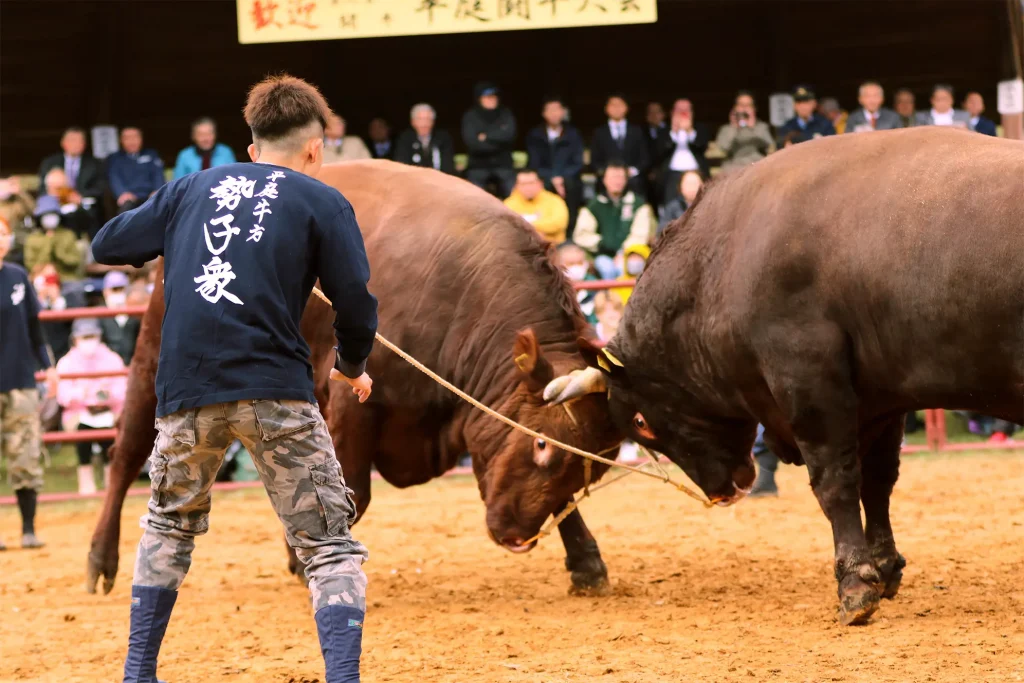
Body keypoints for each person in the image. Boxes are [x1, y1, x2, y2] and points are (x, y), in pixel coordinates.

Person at [91, 74, 377, 683]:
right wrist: (351, 367)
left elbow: (108, 245)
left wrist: (170, 227)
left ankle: (139, 671)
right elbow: (356, 303)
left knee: (168, 525)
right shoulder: (321, 200)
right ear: (314, 147)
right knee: (328, 546)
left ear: (249, 147)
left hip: (188, 394)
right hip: (278, 393)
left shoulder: (190, 189)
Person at [0, 216, 55, 550]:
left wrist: (49, 367)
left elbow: (36, 331)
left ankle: (28, 529)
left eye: (3, 233)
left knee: (26, 456)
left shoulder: (18, 277)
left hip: (20, 381)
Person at [56, 317, 127, 495]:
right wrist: (83, 393)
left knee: (109, 435)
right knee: (83, 432)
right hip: (79, 413)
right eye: (84, 337)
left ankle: (111, 479)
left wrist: (106, 396)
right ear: (75, 339)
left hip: (109, 411)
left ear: (99, 336)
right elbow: (62, 395)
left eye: (92, 336)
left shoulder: (112, 359)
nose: (89, 341)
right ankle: (85, 479)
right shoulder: (67, 362)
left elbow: (122, 390)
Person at [573, 164, 656, 280]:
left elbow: (640, 234)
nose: (617, 181)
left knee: (630, 266)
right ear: (604, 180)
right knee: (606, 268)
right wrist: (603, 245)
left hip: (631, 254)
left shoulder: (638, 204)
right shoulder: (593, 206)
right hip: (602, 255)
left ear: (626, 180)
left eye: (620, 177)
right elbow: (582, 234)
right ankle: (608, 298)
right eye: (613, 177)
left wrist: (623, 253)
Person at [525, 97, 584, 237]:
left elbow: (577, 162)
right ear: (544, 113)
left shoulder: (573, 134)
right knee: (539, 186)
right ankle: (542, 231)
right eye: (550, 110)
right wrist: (553, 178)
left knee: (572, 186)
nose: (554, 113)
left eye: (557, 109)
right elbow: (534, 163)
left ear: (563, 112)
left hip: (568, 178)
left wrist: (560, 178)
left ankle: (570, 233)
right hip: (544, 177)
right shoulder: (535, 135)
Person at [38, 126, 105, 224]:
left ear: (84, 144)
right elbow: (42, 188)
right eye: (72, 140)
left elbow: (100, 187)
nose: (75, 144)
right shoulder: (49, 163)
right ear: (63, 143)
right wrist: (60, 196)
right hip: (56, 204)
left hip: (82, 205)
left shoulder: (94, 164)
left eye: (79, 141)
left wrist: (80, 196)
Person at [462, 82, 517, 198]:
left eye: (494, 96)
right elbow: (473, 144)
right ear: (479, 99)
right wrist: (499, 142)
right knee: (473, 197)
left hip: (503, 165)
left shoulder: (505, 114)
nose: (491, 99)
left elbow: (509, 136)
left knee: (514, 194)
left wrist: (486, 136)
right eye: (487, 97)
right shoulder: (470, 117)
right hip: (478, 165)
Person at [590, 93, 649, 195]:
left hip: (632, 178)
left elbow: (644, 158)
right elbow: (595, 161)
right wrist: (608, 173)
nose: (616, 108)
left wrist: (632, 171)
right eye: (613, 105)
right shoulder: (599, 133)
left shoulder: (636, 131)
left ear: (626, 108)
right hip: (606, 179)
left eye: (620, 105)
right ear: (606, 109)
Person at [656, 98, 709, 205]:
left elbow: (702, 146)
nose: (683, 114)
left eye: (686, 110)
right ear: (672, 113)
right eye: (679, 110)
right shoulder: (664, 130)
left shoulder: (700, 128)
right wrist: (674, 132)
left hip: (696, 173)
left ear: (692, 113)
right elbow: (659, 152)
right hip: (671, 175)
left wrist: (689, 132)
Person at [106, 126, 166, 213]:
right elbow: (114, 177)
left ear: (141, 139)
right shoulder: (115, 158)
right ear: (121, 140)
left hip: (151, 196)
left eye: (135, 137)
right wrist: (122, 192)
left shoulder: (151, 154)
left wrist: (157, 190)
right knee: (125, 211)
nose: (132, 141)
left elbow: (158, 174)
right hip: (128, 198)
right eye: (127, 138)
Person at [24, 195, 83, 283]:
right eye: (46, 215)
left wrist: (61, 254)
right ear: (40, 218)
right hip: (41, 279)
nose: (50, 218)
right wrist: (48, 243)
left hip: (67, 278)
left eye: (53, 214)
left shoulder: (67, 235)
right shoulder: (33, 239)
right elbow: (31, 265)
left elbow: (75, 261)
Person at [503, 168, 569, 243]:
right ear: (516, 185)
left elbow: (558, 224)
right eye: (523, 184)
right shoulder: (508, 204)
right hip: (519, 248)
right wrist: (536, 231)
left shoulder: (555, 201)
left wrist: (526, 226)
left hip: (552, 247)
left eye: (531, 183)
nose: (528, 187)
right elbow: (506, 228)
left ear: (540, 183)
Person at [715, 91, 774, 173]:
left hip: (757, 164)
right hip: (734, 166)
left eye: (748, 105)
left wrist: (752, 127)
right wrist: (734, 127)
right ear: (735, 108)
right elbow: (724, 147)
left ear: (754, 108)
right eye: (741, 105)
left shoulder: (761, 126)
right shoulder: (727, 128)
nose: (744, 108)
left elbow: (769, 145)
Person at [394, 103, 455, 174]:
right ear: (413, 122)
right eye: (420, 119)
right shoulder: (405, 139)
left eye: (427, 119)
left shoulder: (443, 138)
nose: (424, 124)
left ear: (433, 122)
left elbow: (448, 165)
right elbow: (401, 164)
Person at [98, 270, 141, 364]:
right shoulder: (99, 314)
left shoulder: (134, 313)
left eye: (121, 289)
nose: (118, 293)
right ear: (105, 291)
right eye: (114, 289)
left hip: (132, 365)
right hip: (108, 367)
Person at [554, 242, 598, 324]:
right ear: (560, 265)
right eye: (571, 263)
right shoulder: (553, 288)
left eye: (580, 263)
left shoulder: (596, 287)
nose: (576, 267)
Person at [0, 176, 36, 266]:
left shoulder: (16, 205)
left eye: (6, 187)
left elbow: (33, 210)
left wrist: (20, 193)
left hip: (13, 244)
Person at [658, 170, 703, 234]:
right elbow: (661, 230)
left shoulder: (709, 206)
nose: (692, 187)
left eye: (695, 183)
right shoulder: (672, 207)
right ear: (680, 187)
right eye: (688, 184)